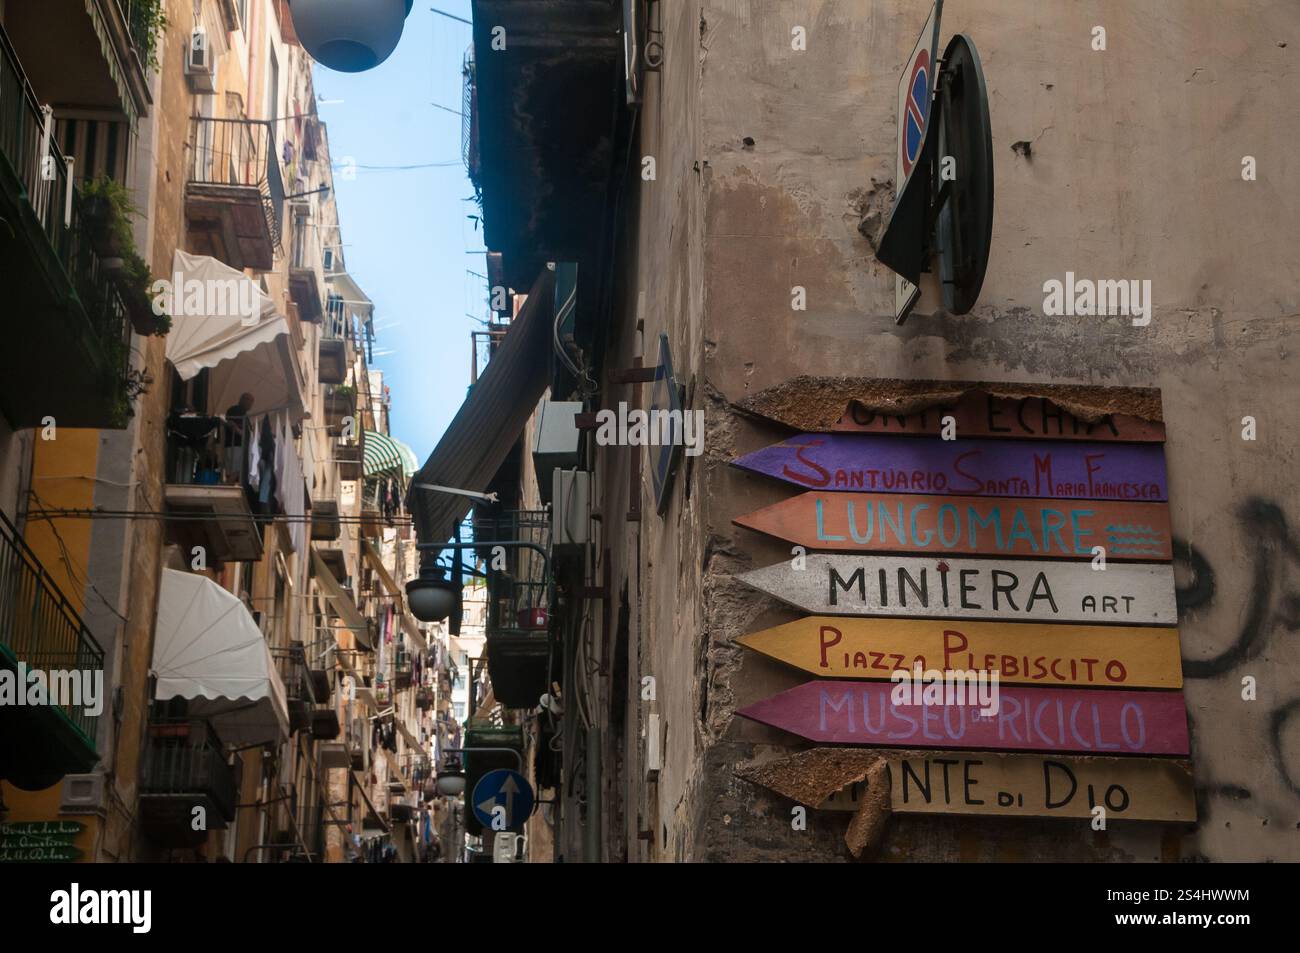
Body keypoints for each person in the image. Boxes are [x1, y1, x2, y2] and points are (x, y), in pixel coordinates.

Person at [223, 392, 254, 481]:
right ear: (242, 400)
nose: (250, 403)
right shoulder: (236, 410)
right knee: (236, 470)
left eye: (252, 401)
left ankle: (229, 487)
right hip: (235, 445)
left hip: (237, 446)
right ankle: (227, 488)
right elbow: (230, 423)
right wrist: (241, 433)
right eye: (249, 400)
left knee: (236, 471)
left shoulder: (243, 413)